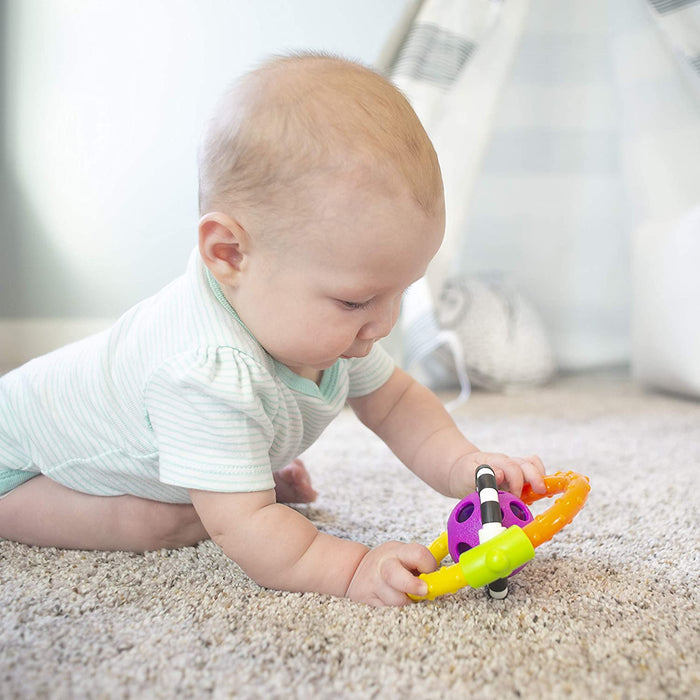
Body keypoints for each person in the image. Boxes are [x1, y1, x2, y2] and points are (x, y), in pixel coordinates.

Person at [0, 53, 546, 606]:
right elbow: (251, 534)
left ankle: (231, 473)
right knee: (167, 524)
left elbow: (396, 402)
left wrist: (462, 465)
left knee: (215, 501)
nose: (384, 323)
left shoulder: (310, 315)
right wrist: (352, 567)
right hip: (14, 466)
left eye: (401, 292)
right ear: (230, 253)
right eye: (356, 299)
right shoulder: (205, 371)